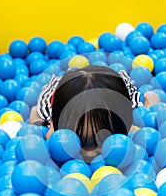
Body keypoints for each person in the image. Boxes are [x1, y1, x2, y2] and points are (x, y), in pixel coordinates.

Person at [29, 65, 159, 159]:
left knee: (138, 112)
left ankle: (150, 100)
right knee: (41, 117)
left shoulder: (122, 122)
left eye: (101, 139)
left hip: (114, 90)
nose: (90, 153)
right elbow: (51, 138)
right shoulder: (61, 124)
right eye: (83, 140)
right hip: (57, 93)